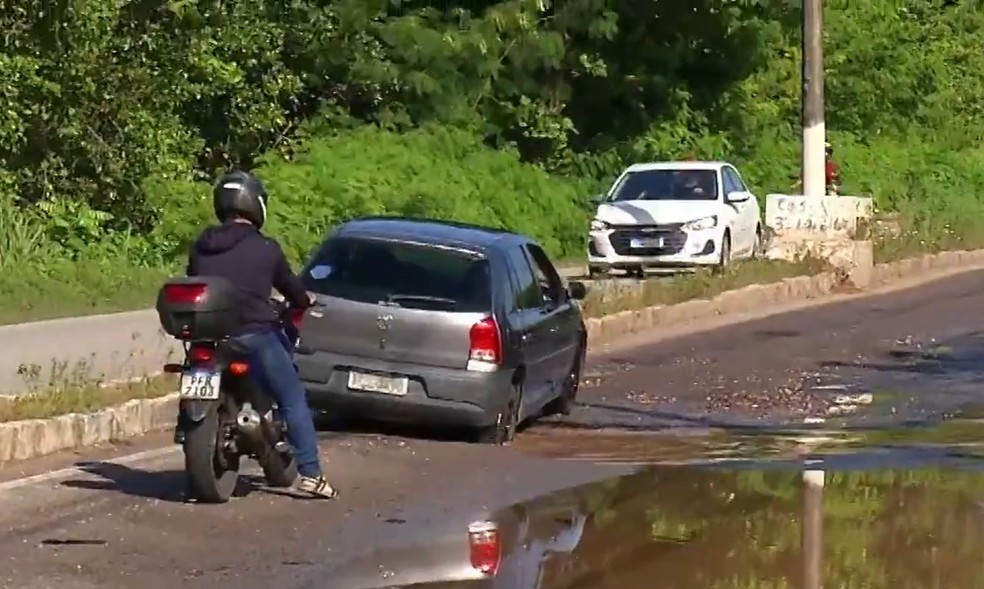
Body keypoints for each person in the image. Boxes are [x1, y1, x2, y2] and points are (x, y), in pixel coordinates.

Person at [184, 169, 337, 499]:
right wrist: (304, 301)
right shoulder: (266, 248)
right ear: (255, 204)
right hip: (254, 335)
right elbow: (290, 287)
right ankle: (311, 474)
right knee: (292, 396)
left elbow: (194, 279)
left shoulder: (202, 245)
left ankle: (190, 430)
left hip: (210, 337)